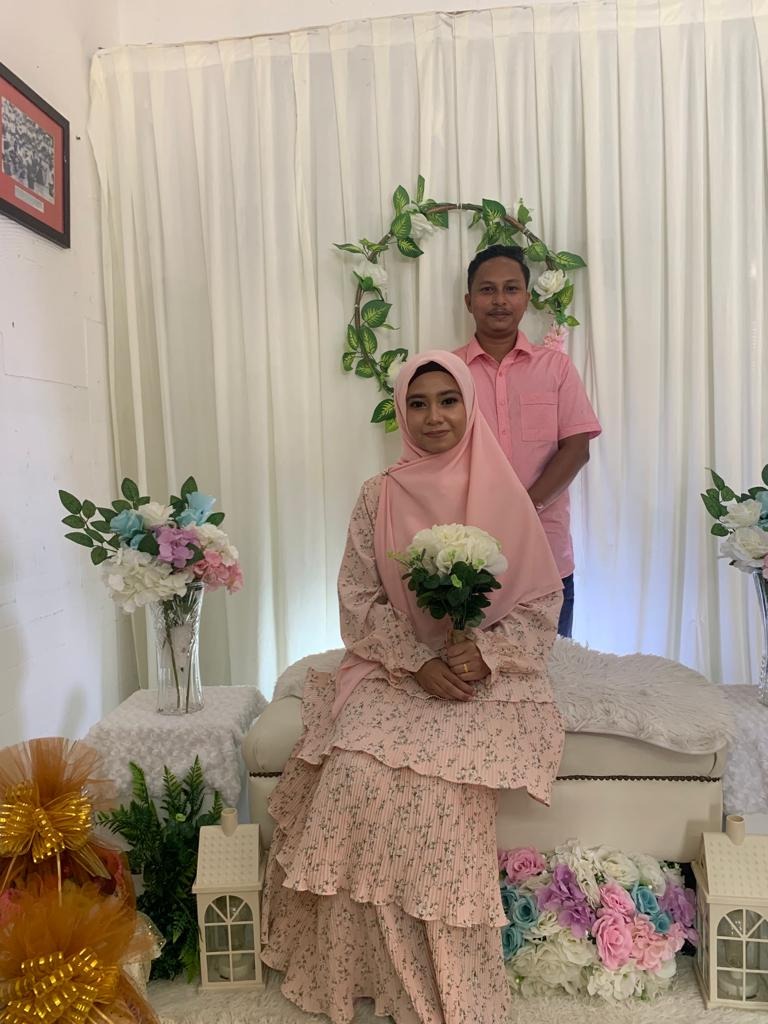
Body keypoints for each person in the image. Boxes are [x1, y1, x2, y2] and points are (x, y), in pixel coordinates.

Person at [261, 350, 565, 1024]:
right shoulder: (380, 494)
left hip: (480, 672)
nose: (434, 417)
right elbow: (358, 598)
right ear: (402, 412)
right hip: (393, 667)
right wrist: (411, 660)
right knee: (351, 773)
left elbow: (540, 605)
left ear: (469, 408)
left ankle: (444, 974)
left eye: (448, 401)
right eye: (418, 403)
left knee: (446, 793)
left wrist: (483, 653)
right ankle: (360, 971)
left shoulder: (505, 493)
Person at [455, 244, 602, 637]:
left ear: (526, 298)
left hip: (546, 554)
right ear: (469, 301)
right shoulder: (449, 373)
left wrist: (524, 508)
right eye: (487, 290)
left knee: (554, 668)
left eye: (511, 289)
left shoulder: (556, 368)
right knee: (472, 667)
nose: (499, 300)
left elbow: (577, 449)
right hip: (469, 555)